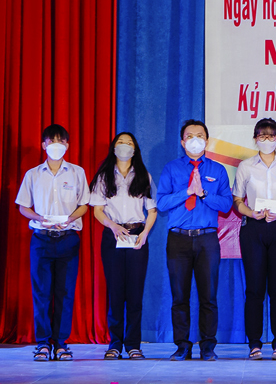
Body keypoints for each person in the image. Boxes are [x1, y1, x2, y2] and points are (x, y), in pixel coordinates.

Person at [157, 119, 233, 361]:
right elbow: (161, 203)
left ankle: (208, 346)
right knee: (179, 296)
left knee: (208, 297)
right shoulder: (171, 168)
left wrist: (203, 193)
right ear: (182, 142)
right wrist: (187, 192)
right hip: (178, 239)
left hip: (206, 239)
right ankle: (182, 345)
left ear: (207, 141)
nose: (195, 140)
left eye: (199, 136)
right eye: (189, 136)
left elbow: (226, 204)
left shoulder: (218, 170)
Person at [15, 124, 90, 361]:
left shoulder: (77, 172)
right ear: (44, 145)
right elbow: (23, 206)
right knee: (42, 292)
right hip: (41, 239)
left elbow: (84, 205)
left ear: (67, 145)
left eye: (61, 141)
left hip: (68, 238)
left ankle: (61, 343)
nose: (56, 145)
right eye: (51, 141)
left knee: (65, 293)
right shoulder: (33, 174)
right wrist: (39, 218)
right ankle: (43, 344)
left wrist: (70, 218)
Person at [232, 118, 276, 361]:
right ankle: (254, 343)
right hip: (253, 229)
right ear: (255, 139)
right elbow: (237, 200)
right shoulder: (246, 166)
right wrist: (251, 213)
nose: (267, 140)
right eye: (262, 135)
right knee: (254, 289)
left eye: (271, 136)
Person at [89, 132, 157, 360]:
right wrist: (112, 225)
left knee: (135, 293)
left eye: (129, 143)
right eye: (121, 142)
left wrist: (145, 233)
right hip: (113, 236)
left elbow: (152, 210)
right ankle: (115, 344)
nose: (125, 146)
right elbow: (97, 210)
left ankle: (133, 345)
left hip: (137, 236)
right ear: (114, 147)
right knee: (116, 292)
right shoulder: (104, 176)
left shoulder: (144, 176)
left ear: (135, 149)